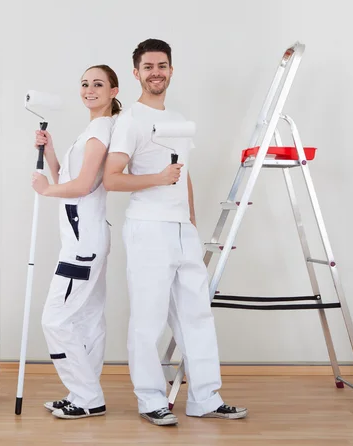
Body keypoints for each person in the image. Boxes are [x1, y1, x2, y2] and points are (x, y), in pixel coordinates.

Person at [103, 39, 248, 426]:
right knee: (148, 319)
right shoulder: (130, 121)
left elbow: (184, 177)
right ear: (136, 73)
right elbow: (112, 179)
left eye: (162, 66)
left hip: (182, 230)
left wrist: (192, 224)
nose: (156, 72)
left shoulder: (179, 120)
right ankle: (151, 399)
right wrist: (157, 177)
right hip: (148, 229)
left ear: (171, 70)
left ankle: (206, 398)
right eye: (148, 66)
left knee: (196, 314)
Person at [31, 64, 121, 420]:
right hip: (88, 235)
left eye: (98, 84)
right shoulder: (93, 129)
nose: (89, 89)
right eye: (84, 84)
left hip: (83, 244)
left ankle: (87, 395)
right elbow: (71, 182)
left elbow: (83, 187)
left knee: (55, 320)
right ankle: (83, 393)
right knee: (86, 319)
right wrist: (51, 152)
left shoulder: (101, 130)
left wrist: (46, 190)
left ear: (114, 90)